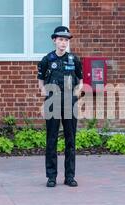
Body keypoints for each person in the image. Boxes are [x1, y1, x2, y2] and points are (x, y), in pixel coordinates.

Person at [37, 26, 83, 187]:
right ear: (54, 40)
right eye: (61, 39)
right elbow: (41, 79)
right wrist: (44, 91)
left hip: (70, 103)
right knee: (52, 140)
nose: (63, 43)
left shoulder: (74, 59)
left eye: (66, 40)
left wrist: (77, 93)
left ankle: (69, 176)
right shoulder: (47, 60)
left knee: (70, 140)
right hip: (53, 103)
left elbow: (80, 80)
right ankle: (51, 176)